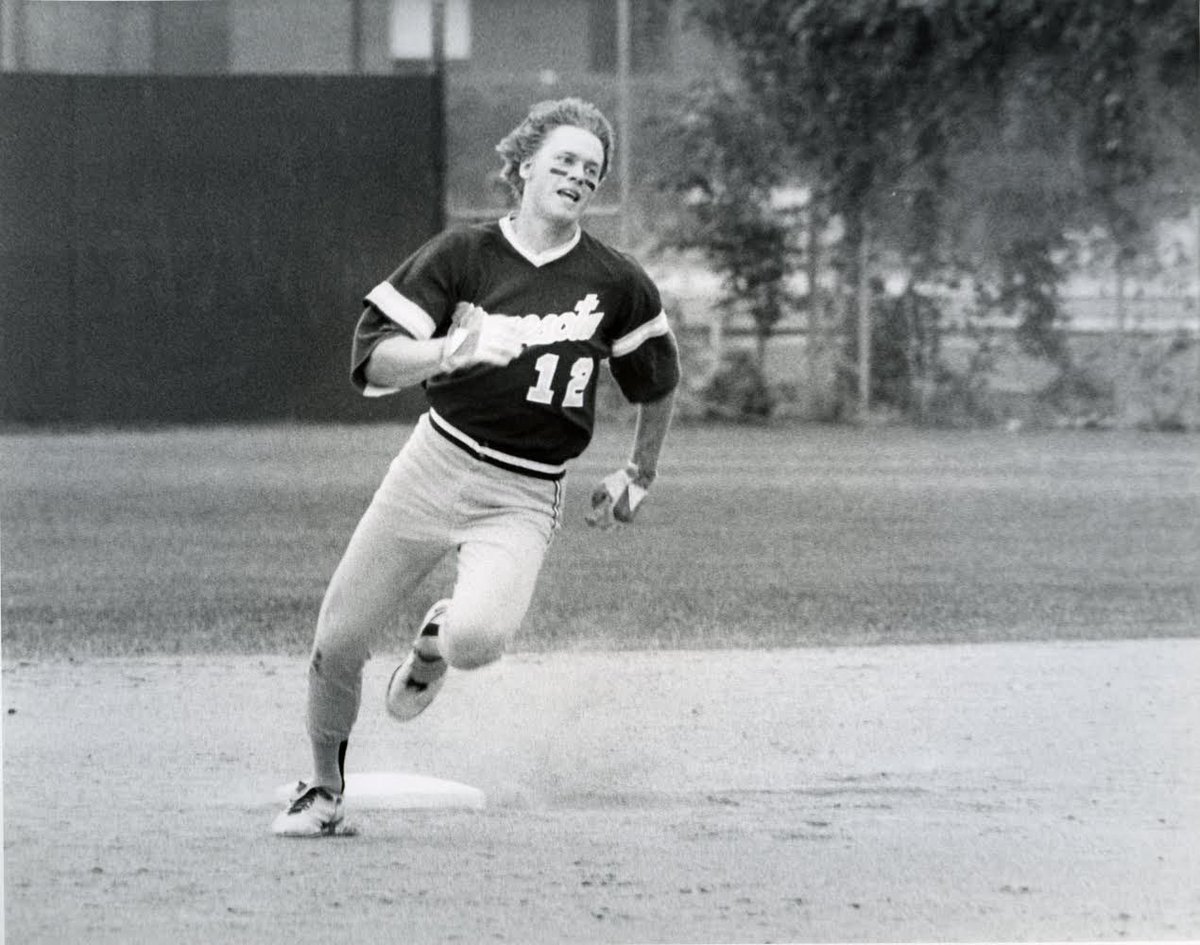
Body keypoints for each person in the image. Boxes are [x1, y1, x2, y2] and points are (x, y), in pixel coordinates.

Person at [272, 97, 680, 836]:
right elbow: (373, 358)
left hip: (523, 493)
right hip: (433, 463)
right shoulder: (464, 256)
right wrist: (448, 351)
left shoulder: (615, 281)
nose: (578, 176)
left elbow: (657, 378)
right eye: (563, 160)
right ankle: (323, 790)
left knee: (476, 642)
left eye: (592, 169)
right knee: (339, 638)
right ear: (524, 166)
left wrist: (638, 473)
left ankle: (434, 642)